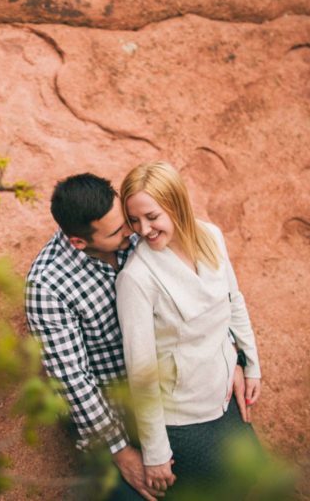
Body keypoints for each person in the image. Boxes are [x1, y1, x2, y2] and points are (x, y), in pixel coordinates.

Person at [25, 172, 249, 501]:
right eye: (121, 230)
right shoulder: (47, 287)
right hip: (114, 410)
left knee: (235, 472)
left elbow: (204, 288)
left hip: (171, 389)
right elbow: (74, 381)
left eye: (128, 220)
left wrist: (232, 355)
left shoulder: (137, 230)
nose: (136, 231)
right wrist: (121, 453)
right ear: (79, 242)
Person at [115, 161, 262, 495]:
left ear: (176, 204)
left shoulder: (211, 236)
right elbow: (141, 371)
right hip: (181, 415)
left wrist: (251, 365)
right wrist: (155, 453)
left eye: (152, 217)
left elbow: (233, 300)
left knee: (253, 479)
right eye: (134, 220)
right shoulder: (136, 278)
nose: (143, 229)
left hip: (223, 396)